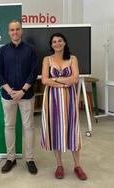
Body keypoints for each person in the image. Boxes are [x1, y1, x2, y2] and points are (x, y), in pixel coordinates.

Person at [41, 33, 87, 180]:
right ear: (51, 45)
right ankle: (59, 165)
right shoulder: (47, 60)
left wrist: (55, 79)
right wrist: (63, 82)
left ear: (65, 42)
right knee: (55, 130)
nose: (57, 43)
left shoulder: (72, 58)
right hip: (52, 100)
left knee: (73, 129)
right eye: (54, 42)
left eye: (60, 41)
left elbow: (75, 78)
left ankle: (77, 165)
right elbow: (44, 80)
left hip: (69, 100)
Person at [0, 20, 39, 174]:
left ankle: (30, 159)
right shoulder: (3, 50)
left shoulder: (31, 50)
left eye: (17, 29)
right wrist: (9, 91)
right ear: (9, 32)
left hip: (26, 95)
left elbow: (34, 72)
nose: (15, 32)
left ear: (21, 31)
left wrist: (22, 90)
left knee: (28, 127)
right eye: (12, 30)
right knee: (9, 126)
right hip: (7, 96)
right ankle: (10, 158)